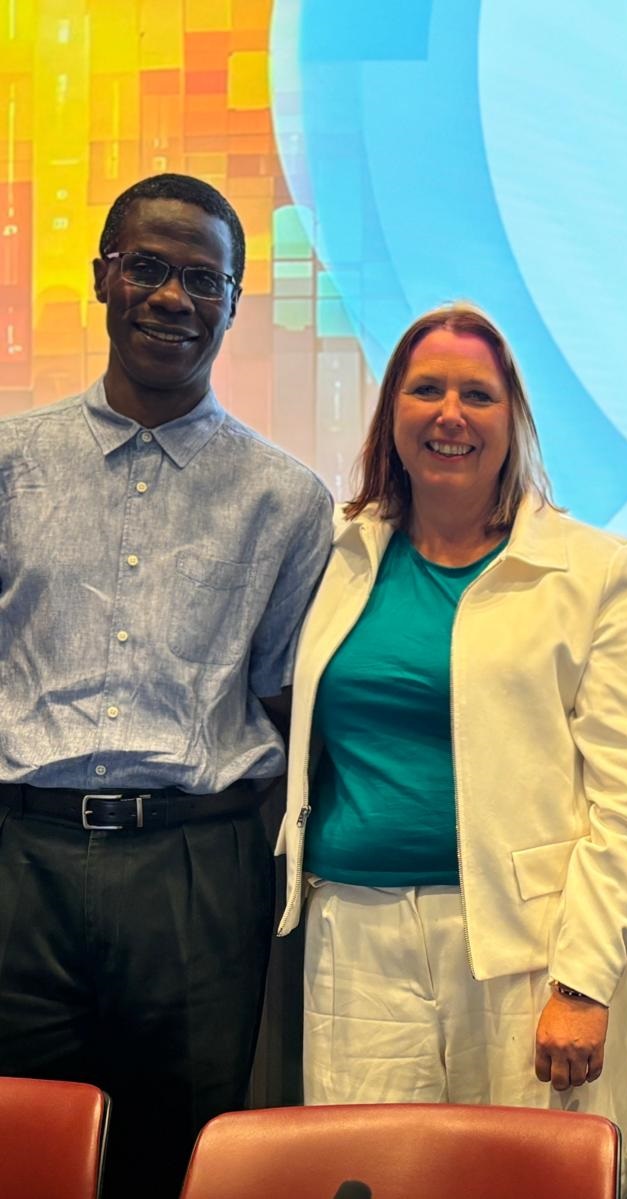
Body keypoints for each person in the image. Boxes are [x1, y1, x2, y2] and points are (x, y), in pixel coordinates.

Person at [274, 303, 627, 1193]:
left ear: (514, 419)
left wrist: (583, 978)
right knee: (362, 1180)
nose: (449, 414)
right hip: (356, 941)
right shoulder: (340, 555)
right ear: (391, 416)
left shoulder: (598, 571)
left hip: (530, 952)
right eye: (425, 390)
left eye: (476, 395)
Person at [0, 173, 333, 1197]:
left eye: (202, 279)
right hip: (21, 858)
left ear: (234, 302)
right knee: (18, 1150)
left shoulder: (287, 498)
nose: (171, 299)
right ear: (103, 276)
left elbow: (284, 692)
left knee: (182, 1160)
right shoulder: (11, 460)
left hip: (195, 867)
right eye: (147, 268)